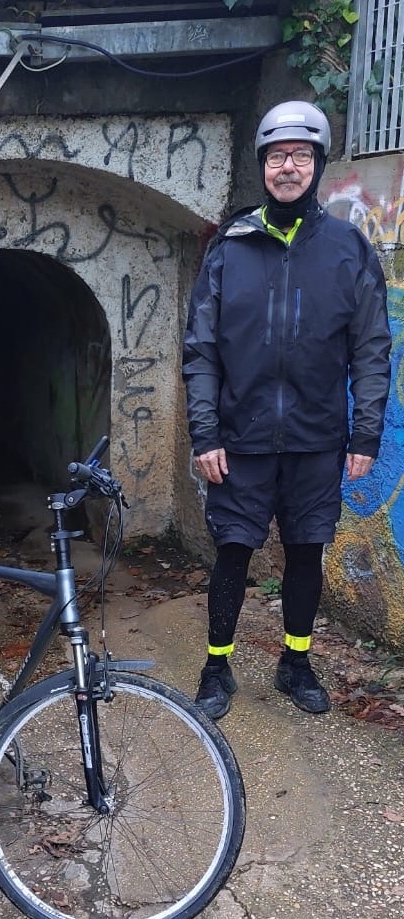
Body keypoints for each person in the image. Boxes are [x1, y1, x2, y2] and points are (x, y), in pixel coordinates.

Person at [182, 100, 391, 720]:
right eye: (278, 156)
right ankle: (216, 665)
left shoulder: (348, 248)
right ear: (263, 167)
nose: (289, 167)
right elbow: (201, 348)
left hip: (316, 440)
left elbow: (371, 348)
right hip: (239, 441)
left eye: (302, 155)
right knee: (234, 552)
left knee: (306, 553)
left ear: (319, 165)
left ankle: (295, 662)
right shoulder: (230, 246)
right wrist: (204, 433)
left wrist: (366, 435)